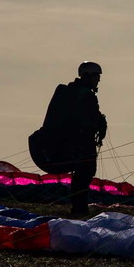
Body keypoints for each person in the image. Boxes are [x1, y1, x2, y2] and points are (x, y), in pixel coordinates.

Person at [41, 61, 107, 216]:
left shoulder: (73, 92)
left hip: (74, 142)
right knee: (84, 174)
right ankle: (79, 209)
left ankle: (78, 208)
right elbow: (87, 118)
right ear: (87, 76)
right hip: (82, 142)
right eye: (96, 76)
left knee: (81, 175)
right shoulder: (85, 94)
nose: (98, 80)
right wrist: (99, 123)